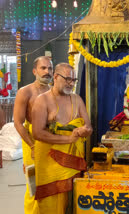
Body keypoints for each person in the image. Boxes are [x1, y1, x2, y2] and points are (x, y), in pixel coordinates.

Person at [32, 63, 92, 213]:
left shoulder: (77, 99)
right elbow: (37, 133)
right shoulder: (42, 100)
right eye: (68, 79)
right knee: (50, 204)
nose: (71, 84)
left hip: (72, 162)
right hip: (49, 163)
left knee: (71, 201)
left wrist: (83, 131)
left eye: (74, 80)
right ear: (56, 77)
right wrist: (68, 139)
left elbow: (89, 127)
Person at [13, 56, 53, 214]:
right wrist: (32, 146)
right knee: (34, 185)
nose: (47, 72)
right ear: (34, 71)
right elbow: (17, 122)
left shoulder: (54, 91)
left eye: (50, 68)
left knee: (51, 183)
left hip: (52, 140)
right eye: (43, 68)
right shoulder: (25, 92)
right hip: (33, 142)